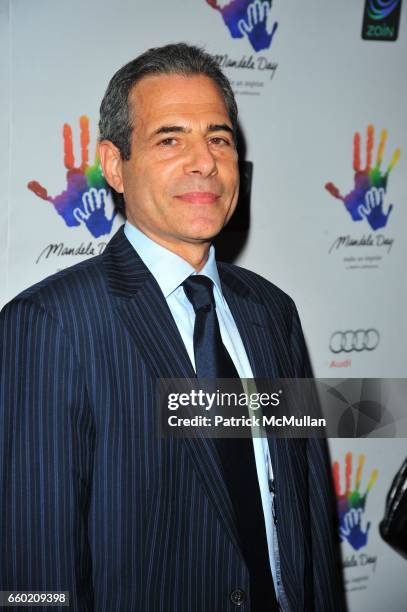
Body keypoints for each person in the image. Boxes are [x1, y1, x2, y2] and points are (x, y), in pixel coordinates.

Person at [0, 43, 344, 611]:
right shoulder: (48, 326)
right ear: (114, 165)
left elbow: (307, 514)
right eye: (170, 138)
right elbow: (34, 572)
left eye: (219, 138)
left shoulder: (273, 313)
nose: (204, 161)